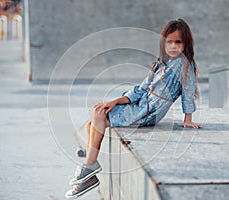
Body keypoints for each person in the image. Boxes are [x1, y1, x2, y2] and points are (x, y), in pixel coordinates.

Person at [65, 18, 201, 199]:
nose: (173, 46)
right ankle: (90, 165)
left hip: (149, 112)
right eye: (169, 41)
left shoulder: (185, 65)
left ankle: (90, 165)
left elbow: (188, 92)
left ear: (186, 44)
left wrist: (188, 119)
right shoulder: (160, 62)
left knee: (99, 116)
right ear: (163, 42)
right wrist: (116, 101)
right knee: (96, 118)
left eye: (178, 42)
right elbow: (141, 88)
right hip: (140, 104)